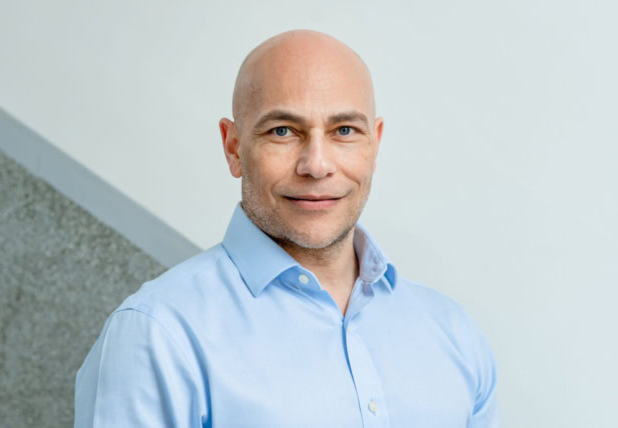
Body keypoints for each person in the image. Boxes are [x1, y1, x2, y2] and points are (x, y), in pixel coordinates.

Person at [74, 29, 500, 427]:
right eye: (283, 131)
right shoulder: (159, 334)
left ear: (375, 144)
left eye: (345, 130)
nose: (316, 165)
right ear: (233, 147)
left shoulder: (454, 333)